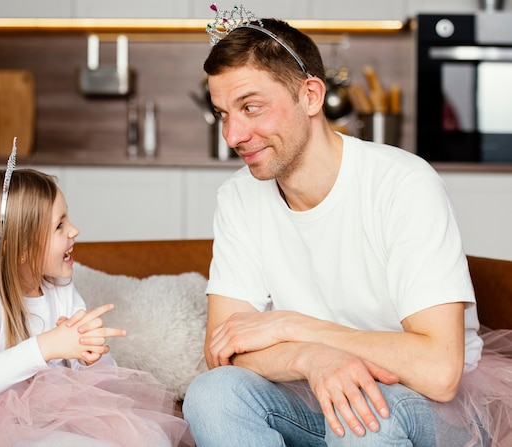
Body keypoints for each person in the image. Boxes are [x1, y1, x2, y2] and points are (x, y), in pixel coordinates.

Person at [183, 5, 512, 447]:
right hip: (319, 392)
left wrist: (292, 327)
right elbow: (221, 353)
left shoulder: (403, 183)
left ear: (312, 96)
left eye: (251, 107)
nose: (233, 135)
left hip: (425, 406)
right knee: (212, 393)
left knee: (360, 419)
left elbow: (438, 371)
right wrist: (313, 358)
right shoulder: (238, 198)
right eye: (223, 113)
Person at [0, 144, 190, 446]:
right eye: (59, 226)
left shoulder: (57, 287)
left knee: (153, 439)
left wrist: (91, 357)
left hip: (53, 414)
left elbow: (102, 384)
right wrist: (45, 346)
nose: (74, 231)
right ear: (20, 248)